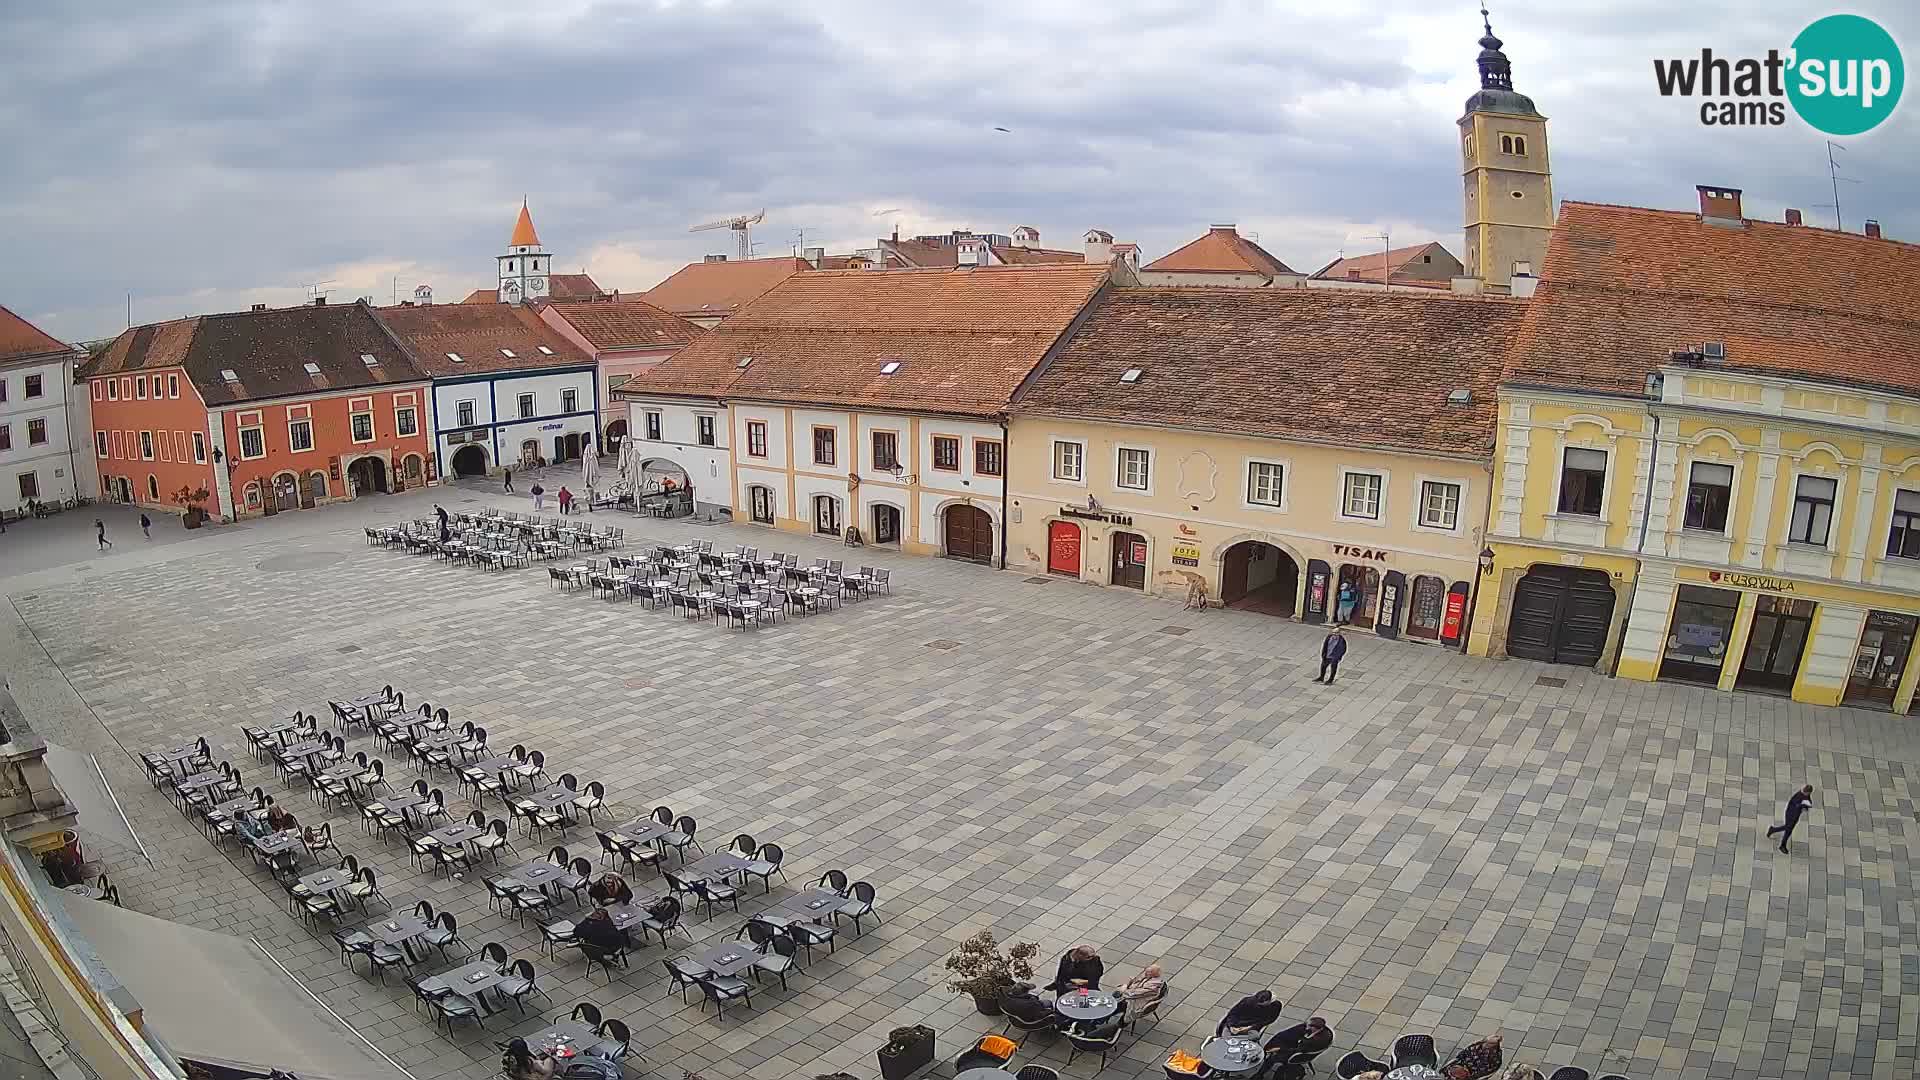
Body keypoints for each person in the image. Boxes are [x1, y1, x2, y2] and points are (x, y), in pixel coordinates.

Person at [1767, 784, 1815, 854]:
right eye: (1807, 793)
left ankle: (1774, 833)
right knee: (1788, 828)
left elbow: (1808, 801)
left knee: (1789, 829)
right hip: (1791, 814)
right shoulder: (1799, 796)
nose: (1807, 794)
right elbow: (1797, 805)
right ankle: (1778, 838)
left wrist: (1806, 806)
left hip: (1796, 814)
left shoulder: (1805, 794)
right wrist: (1804, 806)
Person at [1216, 989, 1284, 1036]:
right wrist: (1232, 1026)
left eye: (1262, 1004)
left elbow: (1269, 1020)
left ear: (1269, 1001)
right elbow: (1233, 1013)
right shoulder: (1247, 1001)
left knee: (1251, 1037)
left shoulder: (1275, 1006)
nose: (1259, 1004)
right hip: (1236, 1024)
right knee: (1225, 1035)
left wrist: (1249, 1027)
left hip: (1252, 1027)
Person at [1265, 1017, 1333, 1061]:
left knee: (1272, 1059)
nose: (1306, 1026)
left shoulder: (1316, 1040)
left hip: (1300, 1053)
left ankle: (1261, 1073)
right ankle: (1266, 1049)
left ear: (1316, 1028)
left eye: (1309, 1025)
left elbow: (1299, 1050)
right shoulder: (1313, 1029)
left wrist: (1280, 1049)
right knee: (1280, 1036)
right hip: (1298, 1043)